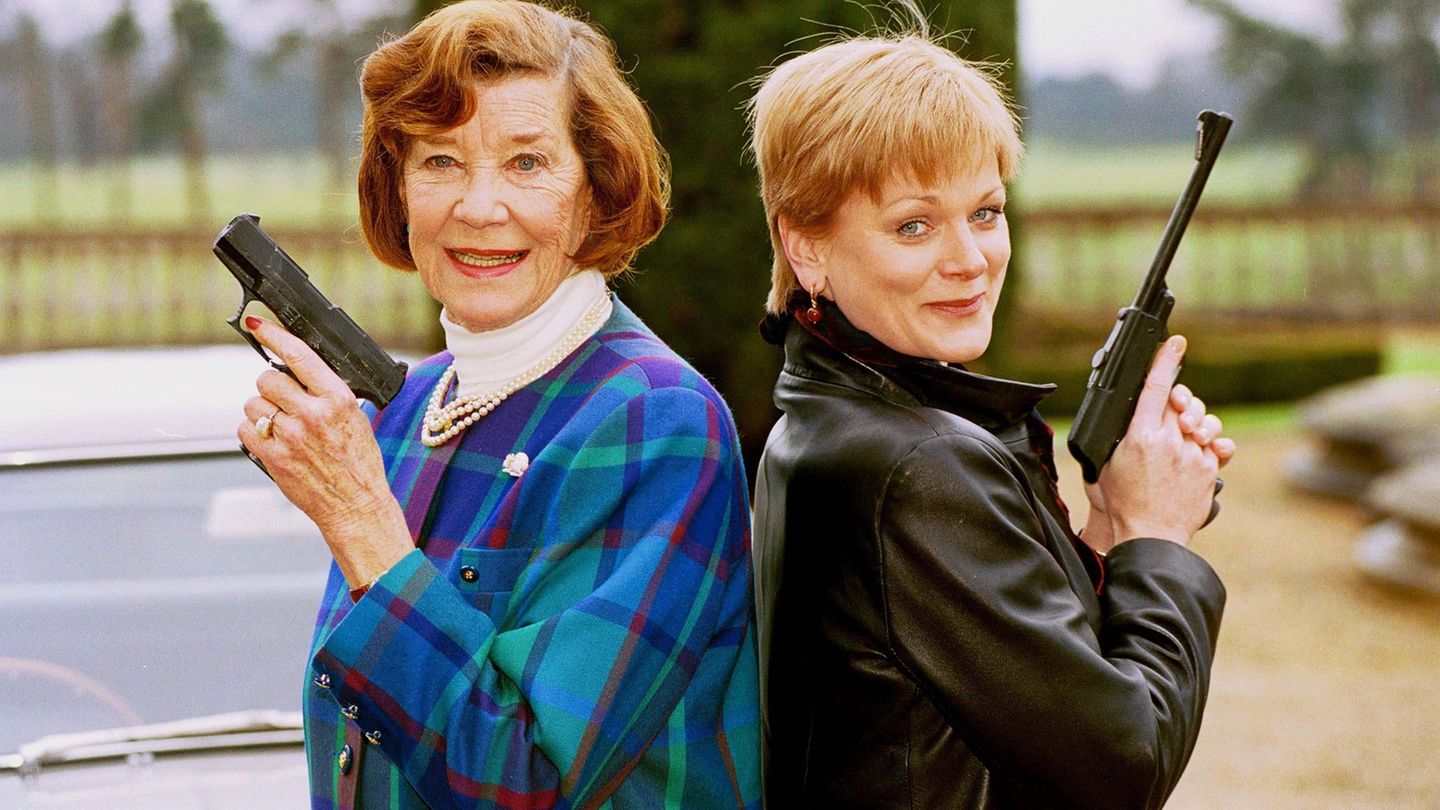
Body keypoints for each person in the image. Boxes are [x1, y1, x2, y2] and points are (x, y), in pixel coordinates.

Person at [236, 2, 760, 806]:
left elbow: (527, 783)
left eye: (526, 163)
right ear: (397, 189)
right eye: (441, 162)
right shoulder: (403, 411)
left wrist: (363, 526)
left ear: (596, 189)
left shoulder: (657, 422)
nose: (479, 208)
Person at [746, 20, 1238, 810]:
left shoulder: (824, 415)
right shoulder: (915, 467)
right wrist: (1160, 537)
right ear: (807, 250)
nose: (969, 260)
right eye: (914, 224)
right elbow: (1124, 769)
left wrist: (1112, 527)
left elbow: (1005, 685)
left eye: (984, 212)